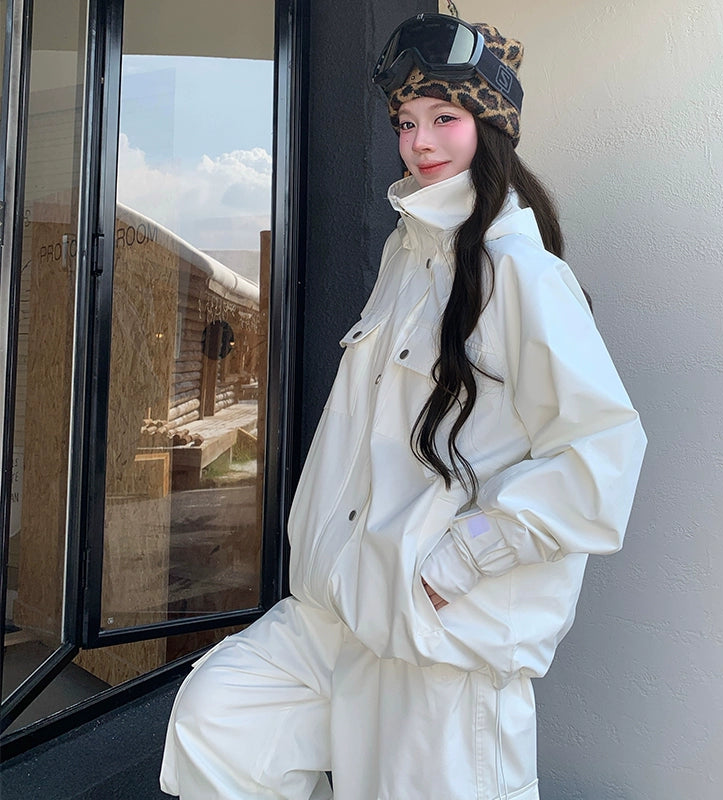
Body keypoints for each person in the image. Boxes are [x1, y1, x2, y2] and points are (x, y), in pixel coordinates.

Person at [160, 13, 647, 800]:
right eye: (406, 122)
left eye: (444, 119)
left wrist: (454, 564)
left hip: (435, 640)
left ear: (488, 127)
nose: (420, 142)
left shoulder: (521, 275)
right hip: (338, 612)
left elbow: (599, 457)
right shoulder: (407, 254)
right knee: (220, 722)